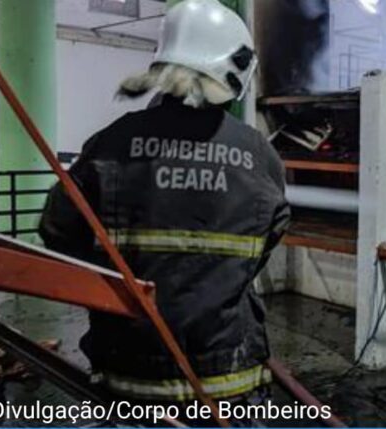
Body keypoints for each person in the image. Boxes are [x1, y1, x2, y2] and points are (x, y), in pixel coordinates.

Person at [39, 0, 289, 410]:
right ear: (234, 70)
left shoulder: (112, 144)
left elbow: (57, 229)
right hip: (229, 380)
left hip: (129, 376)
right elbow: (269, 238)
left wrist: (117, 274)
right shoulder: (259, 155)